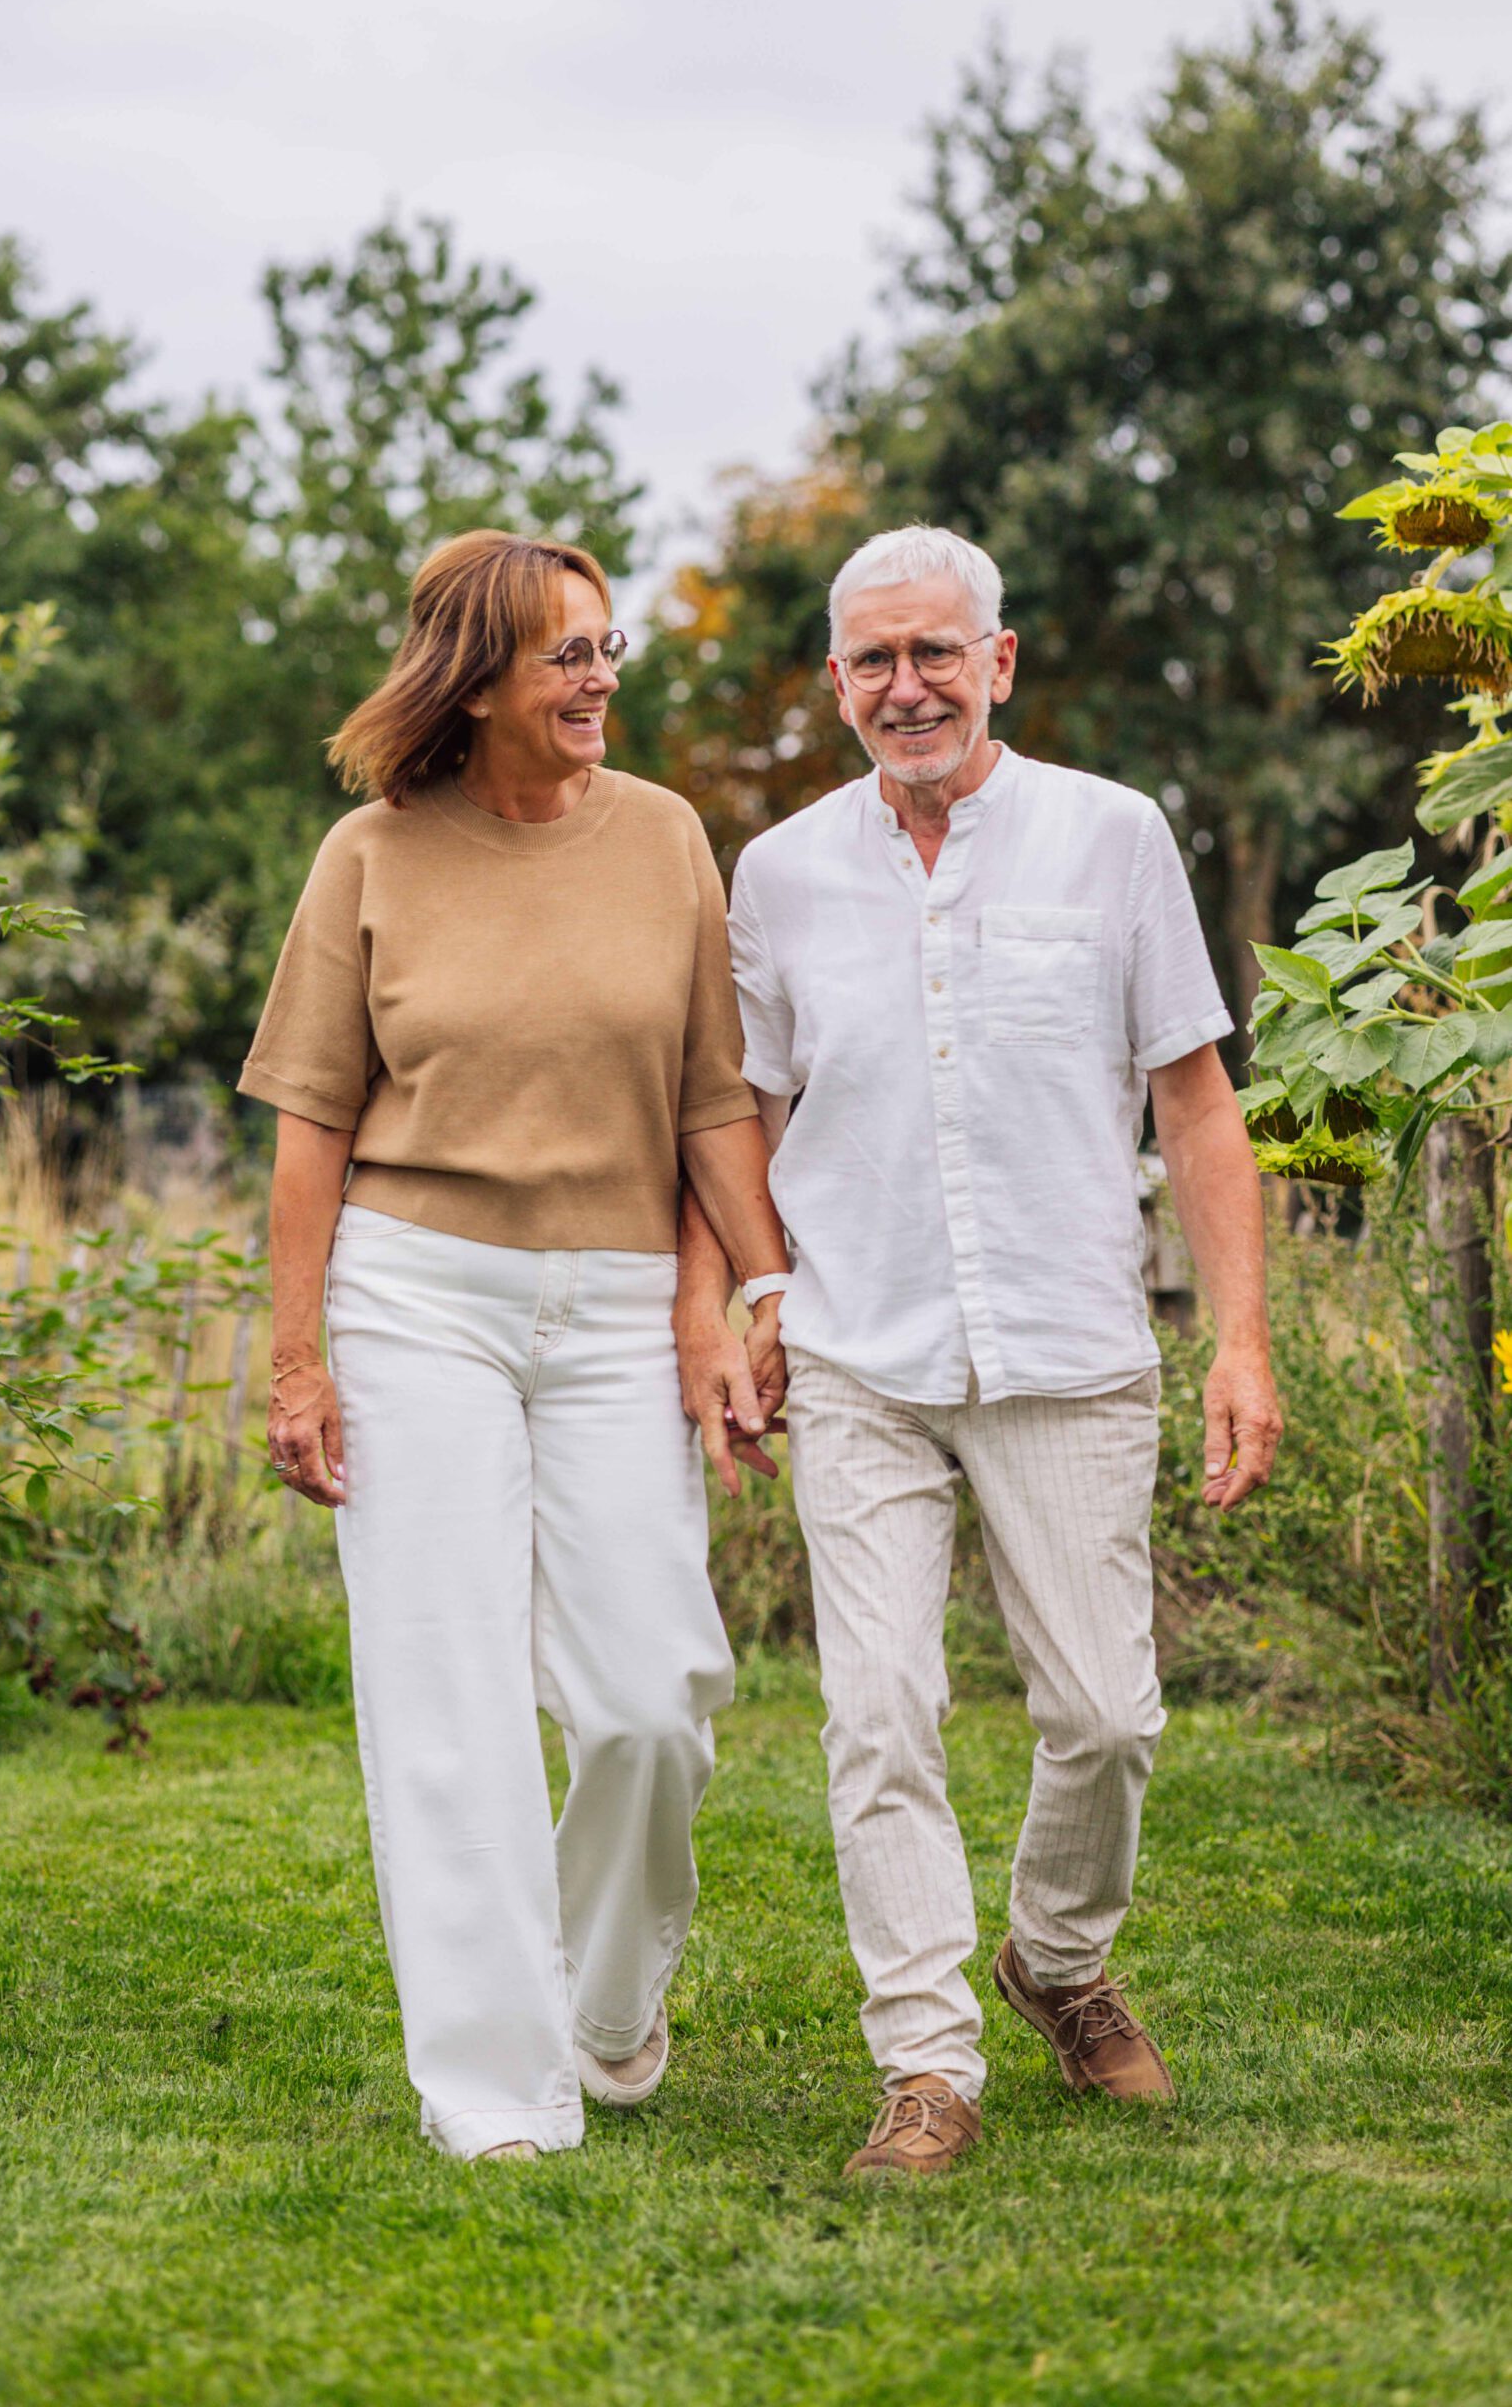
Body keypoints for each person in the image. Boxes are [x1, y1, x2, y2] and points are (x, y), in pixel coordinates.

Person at [675, 523, 1283, 2180]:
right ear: (836, 684)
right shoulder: (780, 873)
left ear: (998, 661)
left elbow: (1195, 1102)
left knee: (1107, 1717)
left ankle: (1058, 1961)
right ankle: (927, 2063)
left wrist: (1241, 1341)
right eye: (874, 659)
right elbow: (740, 1119)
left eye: (936, 651)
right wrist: (731, 1303)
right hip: (857, 1352)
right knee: (879, 1716)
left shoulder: (1113, 836)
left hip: (1070, 1343)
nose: (908, 686)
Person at [241, 529, 789, 2162]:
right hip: (417, 1298)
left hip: (620, 1302)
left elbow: (712, 1099)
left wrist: (760, 1293)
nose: (601, 677)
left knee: (653, 1697)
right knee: (449, 1696)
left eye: (608, 648)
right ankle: (493, 2092)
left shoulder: (667, 837)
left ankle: (608, 2001)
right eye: (568, 654)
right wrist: (294, 1360)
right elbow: (311, 1122)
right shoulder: (370, 855)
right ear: (475, 681)